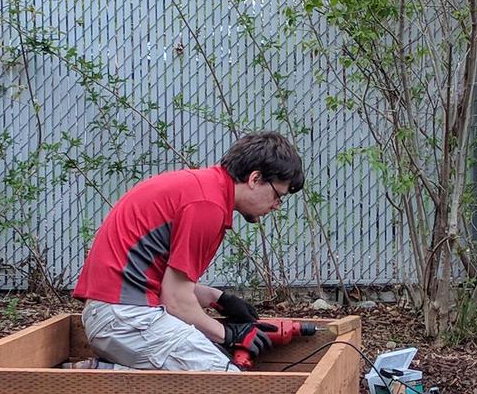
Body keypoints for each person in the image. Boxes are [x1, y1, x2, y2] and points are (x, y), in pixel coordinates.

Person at [70, 131, 304, 372]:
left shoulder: (202, 188)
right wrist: (227, 334)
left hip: (115, 315)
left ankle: (107, 371)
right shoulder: (207, 205)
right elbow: (175, 301)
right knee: (228, 381)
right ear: (255, 179)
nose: (276, 206)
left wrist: (218, 299)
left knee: (210, 364)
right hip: (125, 320)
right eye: (278, 196)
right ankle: (107, 372)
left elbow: (157, 282)